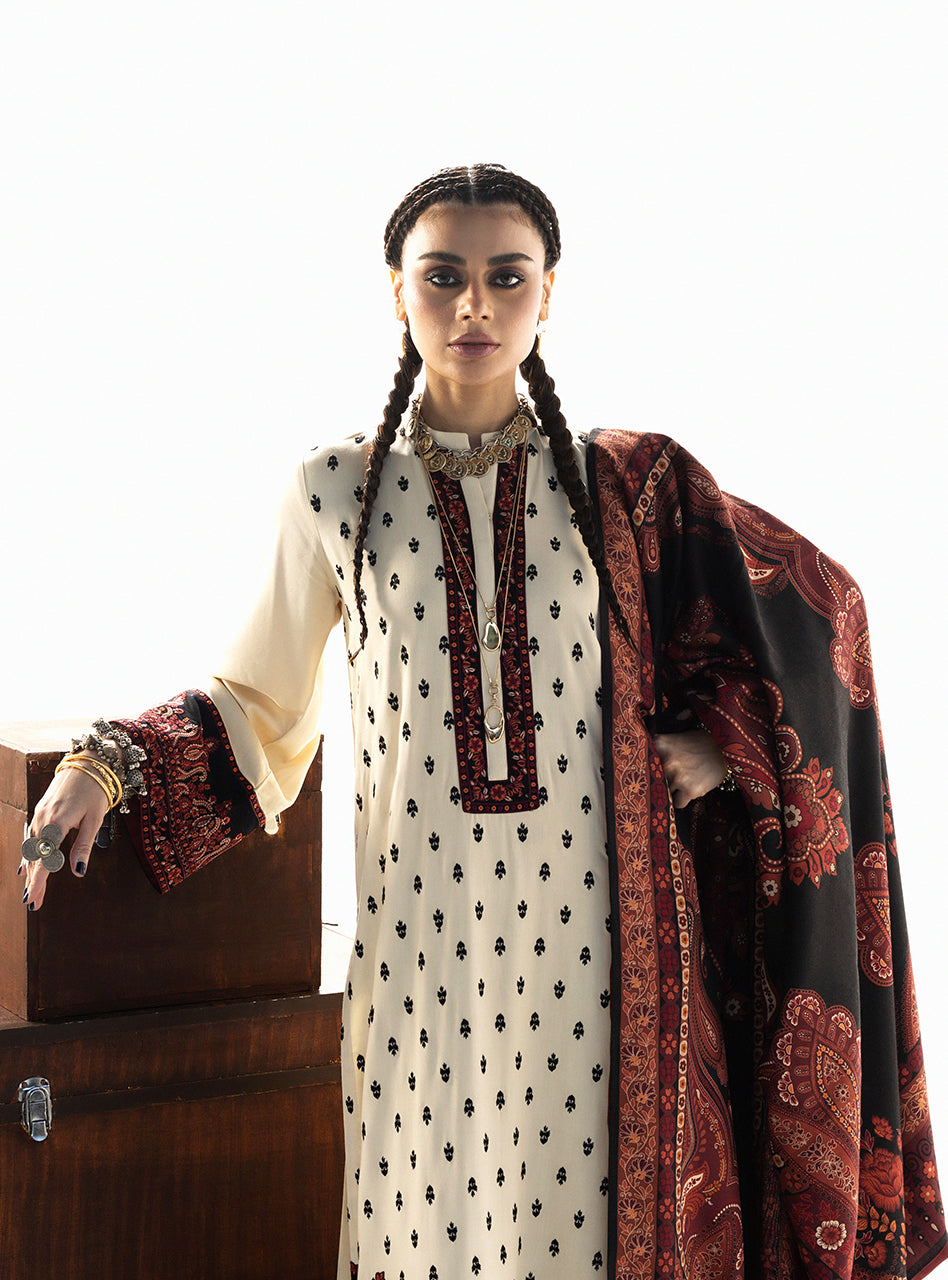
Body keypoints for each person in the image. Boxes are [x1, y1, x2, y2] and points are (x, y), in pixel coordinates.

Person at [18, 165, 945, 1280]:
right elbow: (259, 702)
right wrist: (109, 766)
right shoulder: (336, 492)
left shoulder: (622, 484)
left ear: (549, 293)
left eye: (507, 277)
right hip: (422, 939)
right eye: (443, 276)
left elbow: (818, 609)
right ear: (395, 292)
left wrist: (725, 751)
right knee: (428, 1222)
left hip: (605, 942)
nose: (474, 305)